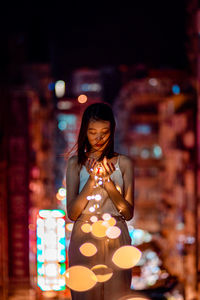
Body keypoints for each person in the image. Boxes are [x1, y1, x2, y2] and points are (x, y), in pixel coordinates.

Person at [66, 102, 134, 300]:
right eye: (92, 131)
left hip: (116, 233)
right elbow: (72, 213)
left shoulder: (124, 163)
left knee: (117, 294)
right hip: (84, 234)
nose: (98, 138)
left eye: (104, 131)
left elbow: (128, 213)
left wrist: (108, 183)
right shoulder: (75, 163)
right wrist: (93, 181)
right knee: (86, 293)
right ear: (84, 132)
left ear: (112, 131)